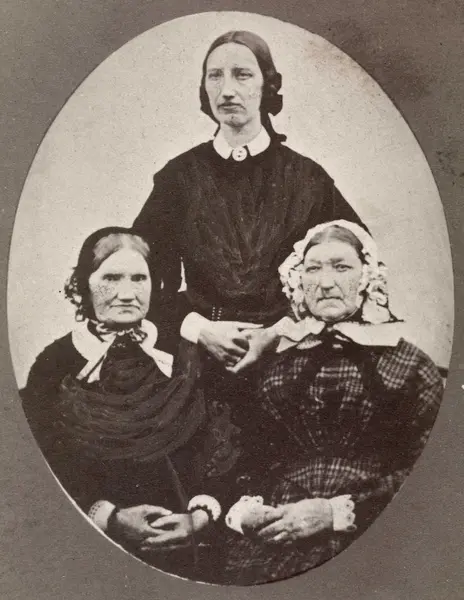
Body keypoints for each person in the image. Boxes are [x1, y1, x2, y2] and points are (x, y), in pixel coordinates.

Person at [132, 30, 369, 520]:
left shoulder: (308, 179)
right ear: (204, 88)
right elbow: (141, 282)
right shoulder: (177, 179)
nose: (227, 90)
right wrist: (201, 329)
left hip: (292, 356)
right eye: (214, 76)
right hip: (198, 362)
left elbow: (359, 274)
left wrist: (279, 332)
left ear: (268, 86)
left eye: (242, 75)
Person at [220, 220, 445, 585]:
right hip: (278, 532)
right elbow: (246, 458)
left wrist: (334, 513)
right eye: (313, 269)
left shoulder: (409, 365)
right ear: (297, 279)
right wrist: (249, 511)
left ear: (367, 276)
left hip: (374, 531)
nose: (325, 283)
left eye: (341, 267)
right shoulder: (272, 364)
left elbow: (432, 476)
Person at [20, 227, 236, 582]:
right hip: (94, 547)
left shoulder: (185, 354)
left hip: (194, 541)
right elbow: (45, 468)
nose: (126, 293)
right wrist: (111, 518)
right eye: (110, 278)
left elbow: (223, 445)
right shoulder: (53, 366)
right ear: (83, 285)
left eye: (139, 278)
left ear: (155, 285)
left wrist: (200, 515)